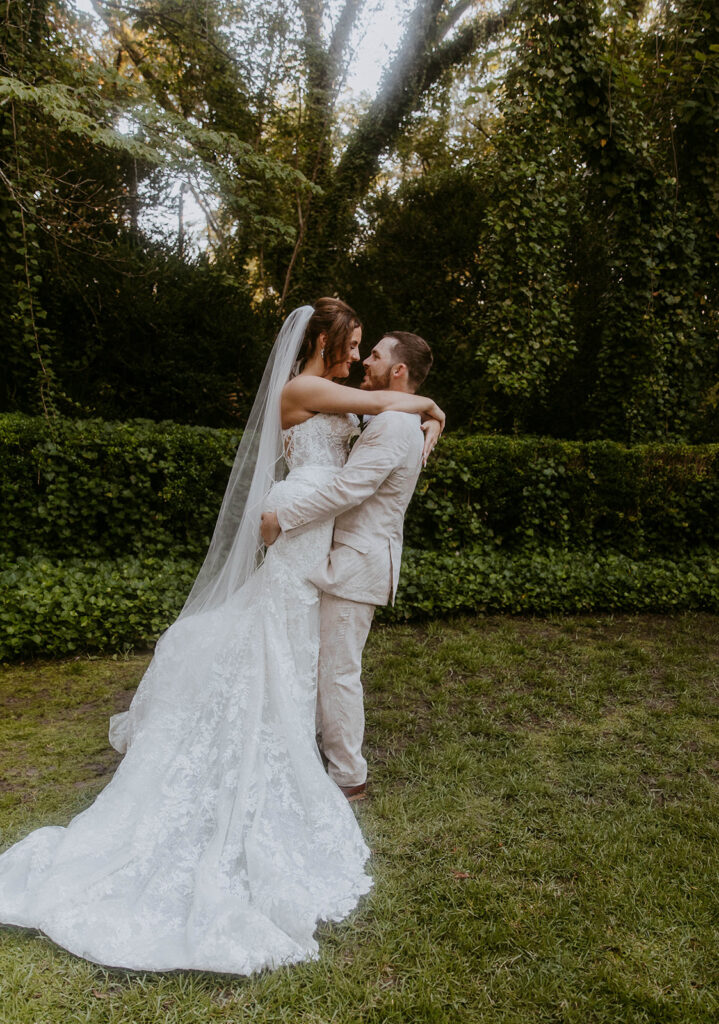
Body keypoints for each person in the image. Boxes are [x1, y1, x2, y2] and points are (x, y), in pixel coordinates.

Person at [0, 300, 444, 975]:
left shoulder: (348, 402)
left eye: (366, 349)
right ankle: (278, 754)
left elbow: (382, 440)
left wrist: (423, 419)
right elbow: (382, 413)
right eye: (352, 344)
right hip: (297, 537)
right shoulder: (304, 388)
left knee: (296, 660)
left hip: (313, 553)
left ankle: (294, 748)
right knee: (283, 651)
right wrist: (429, 404)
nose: (358, 358)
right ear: (323, 341)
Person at [261, 331, 435, 803]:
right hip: (343, 554)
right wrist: (434, 413)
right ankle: (322, 750)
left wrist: (283, 519)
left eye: (376, 355)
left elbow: (348, 491)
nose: (366, 361)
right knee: (326, 662)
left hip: (358, 561)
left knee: (338, 670)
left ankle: (347, 776)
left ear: (398, 371)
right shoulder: (396, 417)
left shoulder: (395, 427)